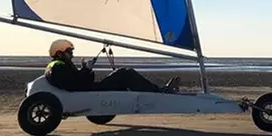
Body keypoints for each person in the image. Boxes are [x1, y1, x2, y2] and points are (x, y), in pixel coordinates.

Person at [45, 39, 180, 93]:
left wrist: (86, 70)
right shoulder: (57, 66)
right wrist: (86, 70)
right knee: (124, 73)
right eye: (69, 52)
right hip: (90, 91)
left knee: (124, 76)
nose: (72, 54)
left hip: (89, 89)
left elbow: (77, 81)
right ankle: (159, 92)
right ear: (59, 53)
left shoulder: (61, 65)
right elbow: (73, 84)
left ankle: (157, 91)